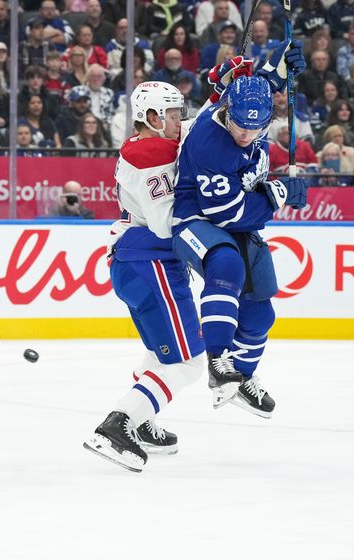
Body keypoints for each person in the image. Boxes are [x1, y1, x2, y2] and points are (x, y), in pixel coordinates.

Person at [171, 43, 307, 419]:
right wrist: (277, 192)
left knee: (261, 309)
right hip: (195, 219)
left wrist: (286, 58)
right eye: (239, 126)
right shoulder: (210, 142)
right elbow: (227, 213)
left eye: (256, 127)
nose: (246, 135)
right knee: (226, 265)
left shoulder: (248, 104)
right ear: (226, 111)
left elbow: (263, 79)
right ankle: (218, 363)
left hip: (237, 219)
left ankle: (241, 377)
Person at [84, 81, 202, 472]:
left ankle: (143, 423)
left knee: (157, 355)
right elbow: (167, 224)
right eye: (171, 114)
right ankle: (118, 424)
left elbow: (197, 128)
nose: (178, 121)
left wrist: (225, 90)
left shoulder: (150, 142)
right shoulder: (151, 153)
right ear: (151, 118)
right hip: (152, 262)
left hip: (134, 262)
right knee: (186, 365)